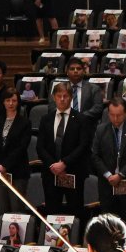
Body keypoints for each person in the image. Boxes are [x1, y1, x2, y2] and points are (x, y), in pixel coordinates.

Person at [38, 83, 92, 217]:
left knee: (75, 211)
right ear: (53, 98)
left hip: (73, 172)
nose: (62, 99)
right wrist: (53, 165)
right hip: (51, 174)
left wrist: (64, 163)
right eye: (59, 96)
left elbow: (83, 146)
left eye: (65, 96)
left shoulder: (81, 119)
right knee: (52, 211)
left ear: (71, 97)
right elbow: (40, 147)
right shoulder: (46, 119)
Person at [92, 97, 126, 228]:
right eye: (112, 115)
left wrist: (120, 175)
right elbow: (95, 156)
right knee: (108, 223)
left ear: (125, 114)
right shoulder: (101, 130)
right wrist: (108, 175)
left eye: (119, 115)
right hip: (107, 184)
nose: (115, 119)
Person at [0, 86, 32, 189]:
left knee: (16, 205)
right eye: (7, 100)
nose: (11, 103)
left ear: (18, 102)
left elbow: (21, 147)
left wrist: (5, 165)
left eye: (14, 100)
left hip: (18, 171)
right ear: (3, 102)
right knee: (2, 204)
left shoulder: (25, 122)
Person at [52, 57, 104, 127]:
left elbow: (98, 108)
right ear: (67, 72)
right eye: (72, 69)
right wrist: (67, 116)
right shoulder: (58, 88)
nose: (75, 71)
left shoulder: (94, 89)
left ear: (84, 71)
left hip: (86, 125)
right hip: (63, 124)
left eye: (79, 69)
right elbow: (52, 107)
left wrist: (78, 117)